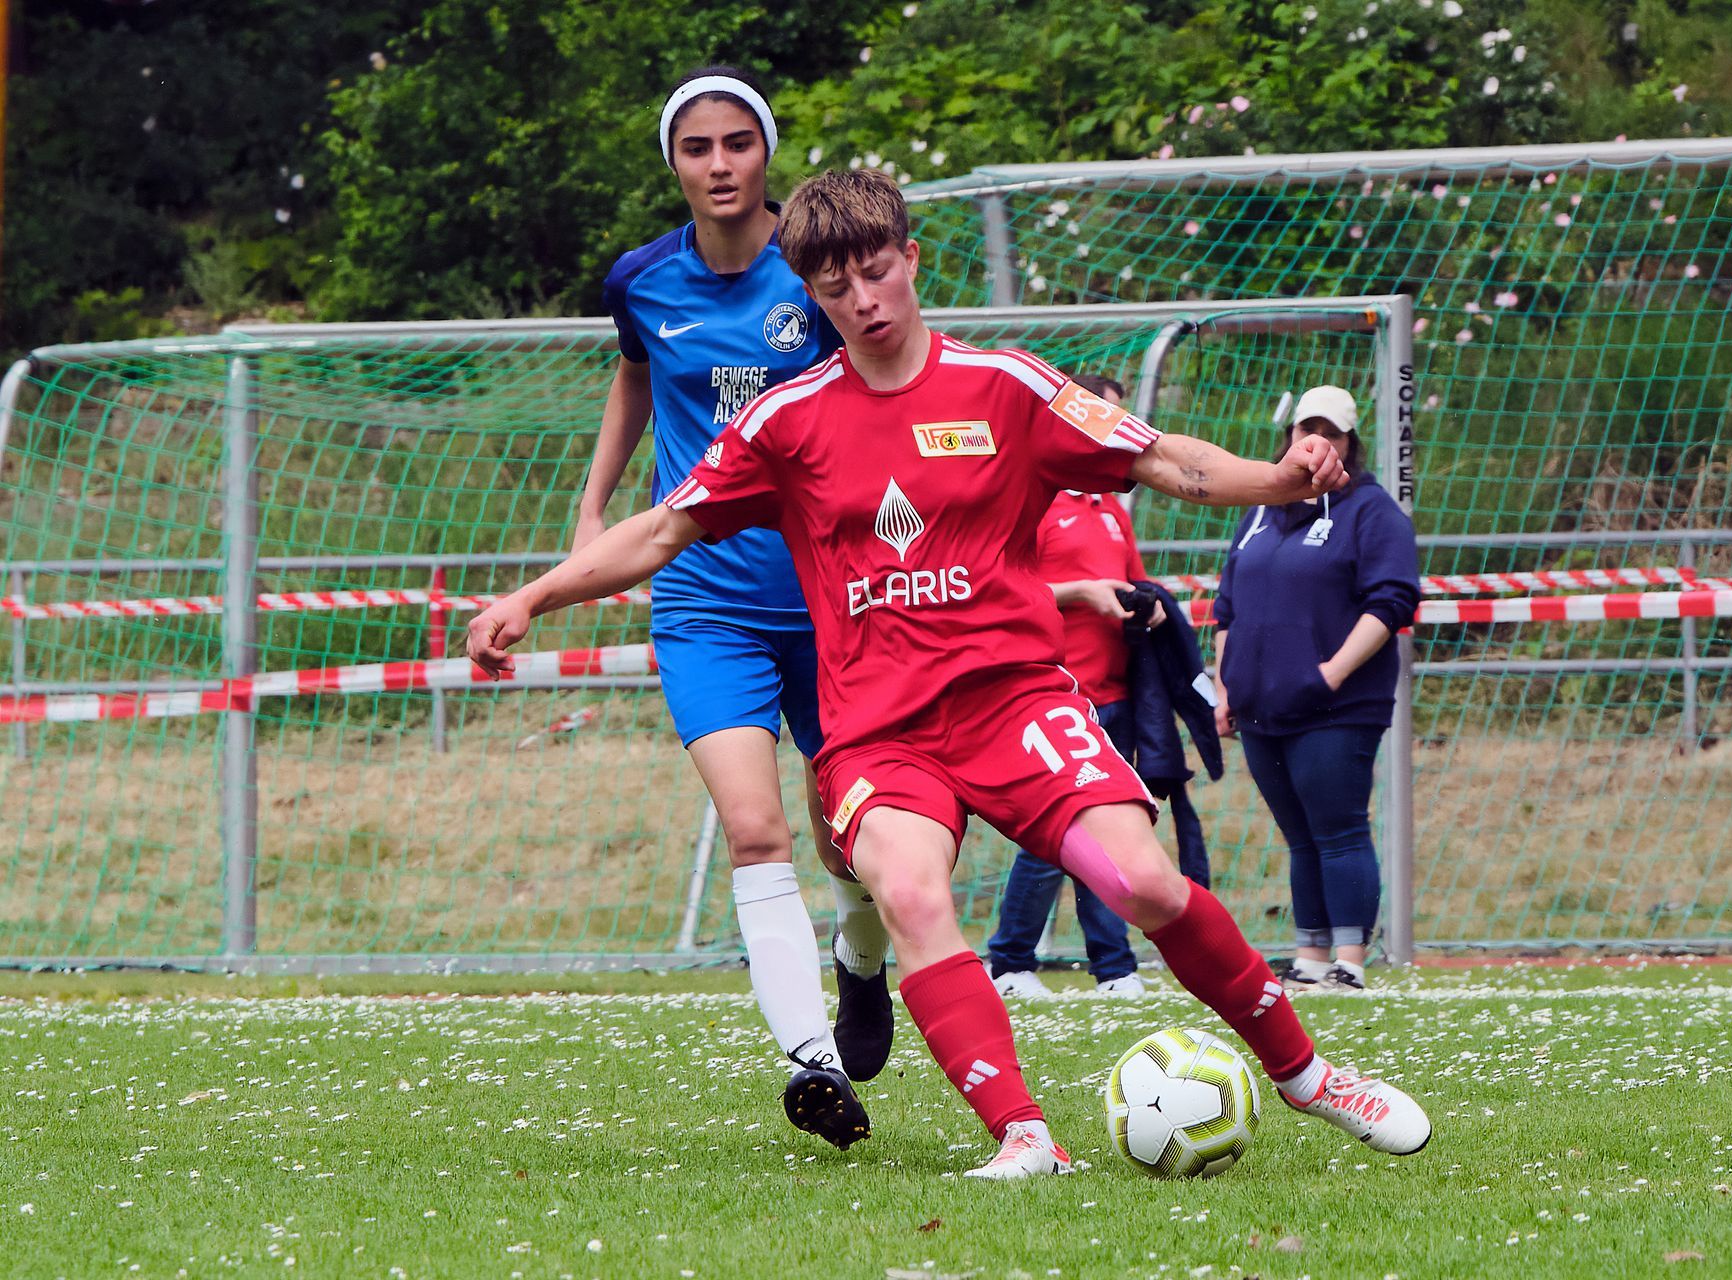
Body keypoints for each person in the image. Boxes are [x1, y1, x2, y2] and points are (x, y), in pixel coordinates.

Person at [469, 170, 1432, 1180]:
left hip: (1015, 701)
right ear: (813, 295)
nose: (863, 300)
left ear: (912, 259)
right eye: (835, 288)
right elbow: (661, 530)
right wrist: (533, 597)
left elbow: (1159, 459)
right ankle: (1025, 1135)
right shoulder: (785, 421)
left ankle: (1309, 1075)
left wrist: (1277, 481)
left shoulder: (1005, 386)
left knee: (1144, 879)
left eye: (877, 272)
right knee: (913, 893)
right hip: (879, 734)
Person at [581, 66, 891, 1150]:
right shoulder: (641, 280)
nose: (719, 164)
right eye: (697, 147)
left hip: (833, 598)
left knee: (848, 833)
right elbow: (634, 377)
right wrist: (593, 512)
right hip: (705, 604)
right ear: (673, 162)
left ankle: (860, 956)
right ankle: (813, 1062)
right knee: (755, 828)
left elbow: (884, 387)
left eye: (737, 143)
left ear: (766, 151)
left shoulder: (816, 272)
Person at [1212, 386, 1420, 992]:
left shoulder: (1372, 511)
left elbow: (1392, 602)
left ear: (1350, 442)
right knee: (1300, 836)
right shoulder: (1258, 510)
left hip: (1336, 707)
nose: (1317, 442)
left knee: (1338, 828)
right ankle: (1308, 958)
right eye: (1309, 429)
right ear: (1290, 436)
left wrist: (1330, 674)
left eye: (1331, 432)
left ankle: (1349, 962)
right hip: (1260, 706)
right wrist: (1226, 688)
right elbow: (1227, 608)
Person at [987, 373, 1159, 1001]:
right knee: (1054, 833)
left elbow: (1134, 581)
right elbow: (1002, 590)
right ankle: (1010, 962)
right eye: (1103, 420)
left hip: (1115, 695)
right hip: (1054, 695)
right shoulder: (1034, 499)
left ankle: (1112, 967)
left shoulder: (1110, 508)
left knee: (1106, 830)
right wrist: (1081, 593)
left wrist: (1150, 606)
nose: (1115, 432)